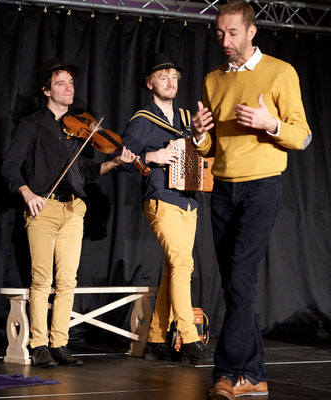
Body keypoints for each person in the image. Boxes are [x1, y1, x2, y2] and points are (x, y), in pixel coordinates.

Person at [191, 1, 312, 398]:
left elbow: (302, 136)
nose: (225, 41)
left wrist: (270, 123)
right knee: (234, 285)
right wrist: (198, 135)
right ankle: (256, 374)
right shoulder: (213, 80)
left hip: (262, 184)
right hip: (223, 188)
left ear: (251, 31)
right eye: (220, 34)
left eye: (232, 33)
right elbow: (210, 150)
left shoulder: (280, 72)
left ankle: (226, 373)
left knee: (240, 278)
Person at [2, 58, 136, 368]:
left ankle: (60, 342)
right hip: (44, 208)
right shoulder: (32, 124)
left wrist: (114, 162)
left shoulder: (83, 129)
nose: (69, 88)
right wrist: (27, 193)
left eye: (71, 83)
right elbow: (10, 166)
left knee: (67, 281)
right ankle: (39, 344)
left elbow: (87, 172)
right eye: (61, 83)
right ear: (47, 90)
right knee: (41, 280)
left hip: (74, 209)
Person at [118, 53, 211, 363]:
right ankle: (187, 336)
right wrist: (151, 157)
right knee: (183, 263)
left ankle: (157, 338)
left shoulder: (186, 119)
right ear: (149, 83)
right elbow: (122, 157)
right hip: (160, 199)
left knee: (175, 268)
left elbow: (205, 148)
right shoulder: (143, 120)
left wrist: (201, 134)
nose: (170, 81)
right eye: (163, 76)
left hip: (189, 201)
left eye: (174, 76)